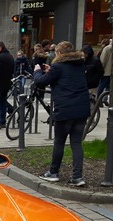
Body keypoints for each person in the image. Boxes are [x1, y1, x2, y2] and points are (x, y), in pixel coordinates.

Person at [34, 41, 90, 187]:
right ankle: (78, 177)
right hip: (82, 109)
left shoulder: (58, 66)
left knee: (59, 141)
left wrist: (37, 71)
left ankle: (53, 172)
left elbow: (40, 82)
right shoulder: (79, 65)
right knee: (76, 143)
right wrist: (50, 71)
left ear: (59, 54)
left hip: (65, 109)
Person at [0, 41, 14, 128]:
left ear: (0, 48)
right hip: (7, 83)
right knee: (3, 102)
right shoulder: (10, 57)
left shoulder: (0, 58)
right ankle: (3, 121)